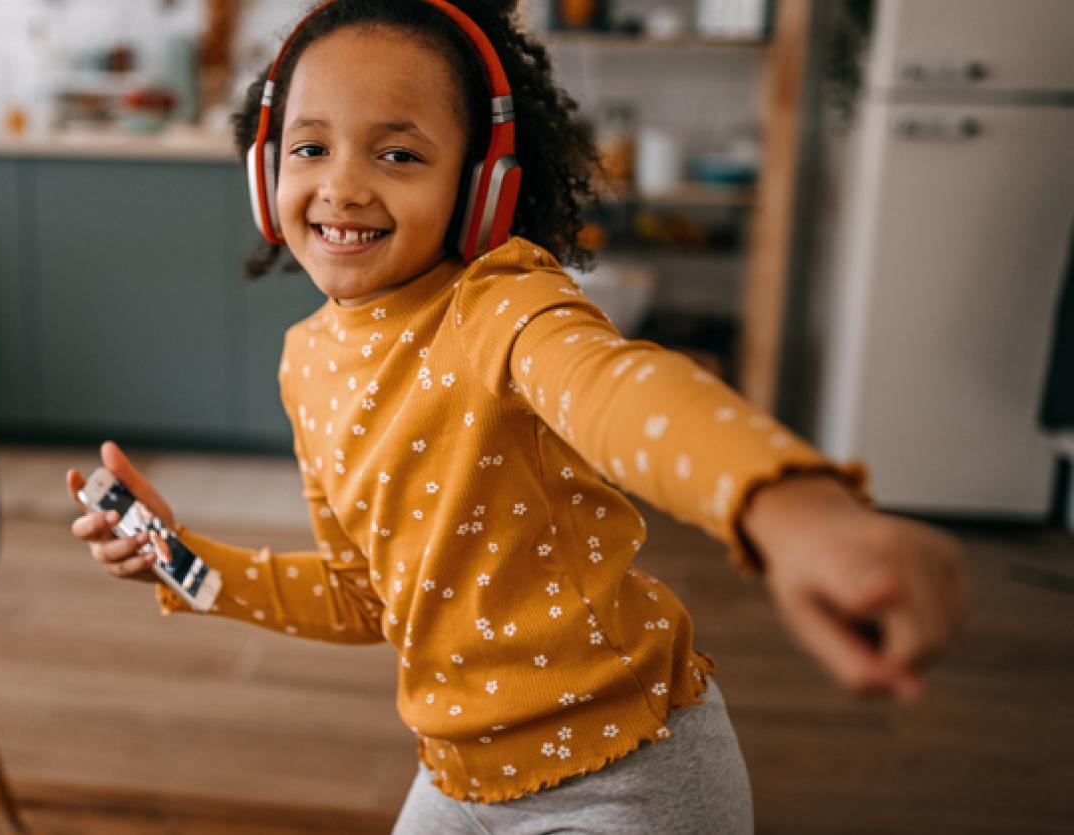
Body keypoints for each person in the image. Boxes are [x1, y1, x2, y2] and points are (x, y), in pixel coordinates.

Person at [67, 1, 968, 831]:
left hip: (629, 773)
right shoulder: (304, 359)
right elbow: (361, 594)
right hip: (457, 778)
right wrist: (180, 563)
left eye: (399, 153)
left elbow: (624, 391)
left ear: (483, 184)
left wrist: (792, 509)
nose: (341, 187)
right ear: (267, 173)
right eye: (310, 148)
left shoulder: (501, 303)